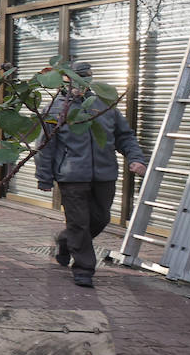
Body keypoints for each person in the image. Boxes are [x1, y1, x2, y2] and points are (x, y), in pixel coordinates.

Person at [34, 61, 147, 288]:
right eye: (75, 78)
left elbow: (124, 136)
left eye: (85, 78)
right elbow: (45, 144)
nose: (80, 83)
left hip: (105, 174)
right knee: (79, 223)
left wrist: (135, 158)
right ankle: (84, 269)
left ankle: (65, 241)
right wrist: (44, 177)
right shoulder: (56, 108)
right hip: (71, 176)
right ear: (65, 79)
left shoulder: (104, 105)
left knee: (100, 219)